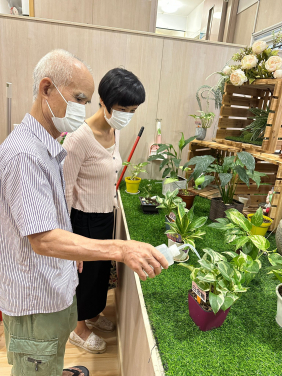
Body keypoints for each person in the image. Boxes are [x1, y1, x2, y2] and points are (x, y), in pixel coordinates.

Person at [0, 49, 168, 376]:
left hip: (53, 286)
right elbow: (43, 239)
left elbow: (55, 210)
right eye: (78, 98)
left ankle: (53, 367)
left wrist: (73, 246)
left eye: (85, 101)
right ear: (46, 89)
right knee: (39, 357)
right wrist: (121, 248)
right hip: (35, 299)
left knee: (52, 348)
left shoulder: (47, 146)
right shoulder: (24, 155)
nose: (82, 108)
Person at [63, 68, 145, 353]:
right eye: (123, 108)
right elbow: (63, 192)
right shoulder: (77, 139)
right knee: (84, 277)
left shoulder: (115, 130)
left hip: (104, 215)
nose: (127, 115)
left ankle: (94, 315)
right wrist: (70, 242)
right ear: (104, 101)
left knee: (99, 274)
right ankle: (78, 329)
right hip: (82, 220)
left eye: (132, 110)